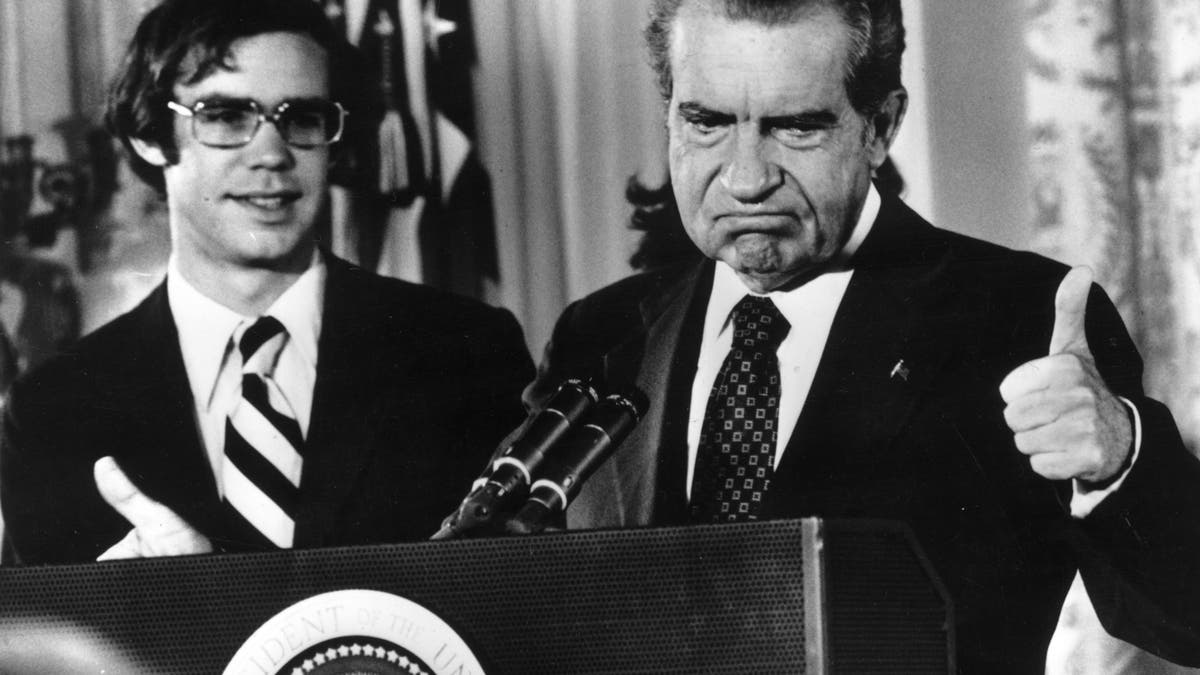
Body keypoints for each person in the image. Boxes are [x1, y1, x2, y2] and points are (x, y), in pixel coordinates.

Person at [526, 0, 1200, 670]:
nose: (746, 178)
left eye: (795, 128)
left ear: (881, 126)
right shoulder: (599, 335)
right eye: (707, 122)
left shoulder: (1020, 319)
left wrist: (1118, 458)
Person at [0, 0, 533, 565]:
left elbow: (521, 610)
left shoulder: (467, 352)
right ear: (149, 136)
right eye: (226, 117)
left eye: (301, 118)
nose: (272, 154)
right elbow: (49, 646)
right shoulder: (50, 413)